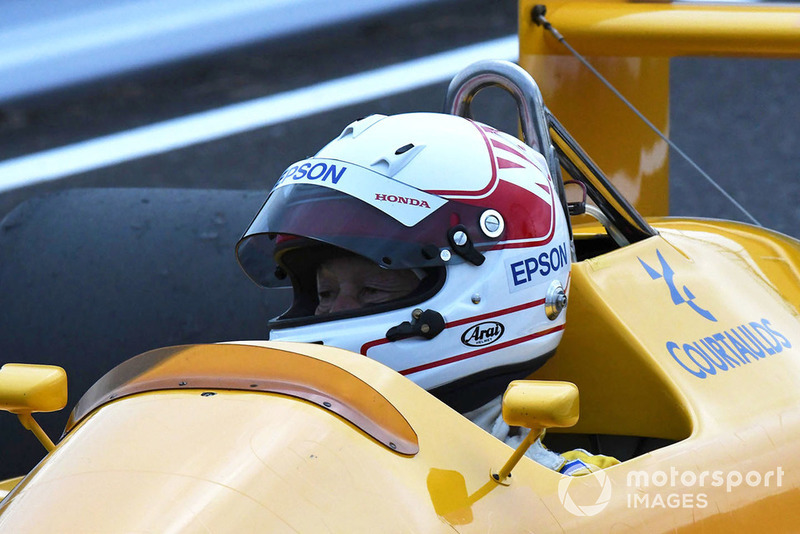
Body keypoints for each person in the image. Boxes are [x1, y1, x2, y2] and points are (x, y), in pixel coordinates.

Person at [236, 112, 617, 475]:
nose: (337, 312)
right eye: (324, 293)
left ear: (489, 289)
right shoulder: (265, 449)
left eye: (372, 290)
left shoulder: (577, 497)